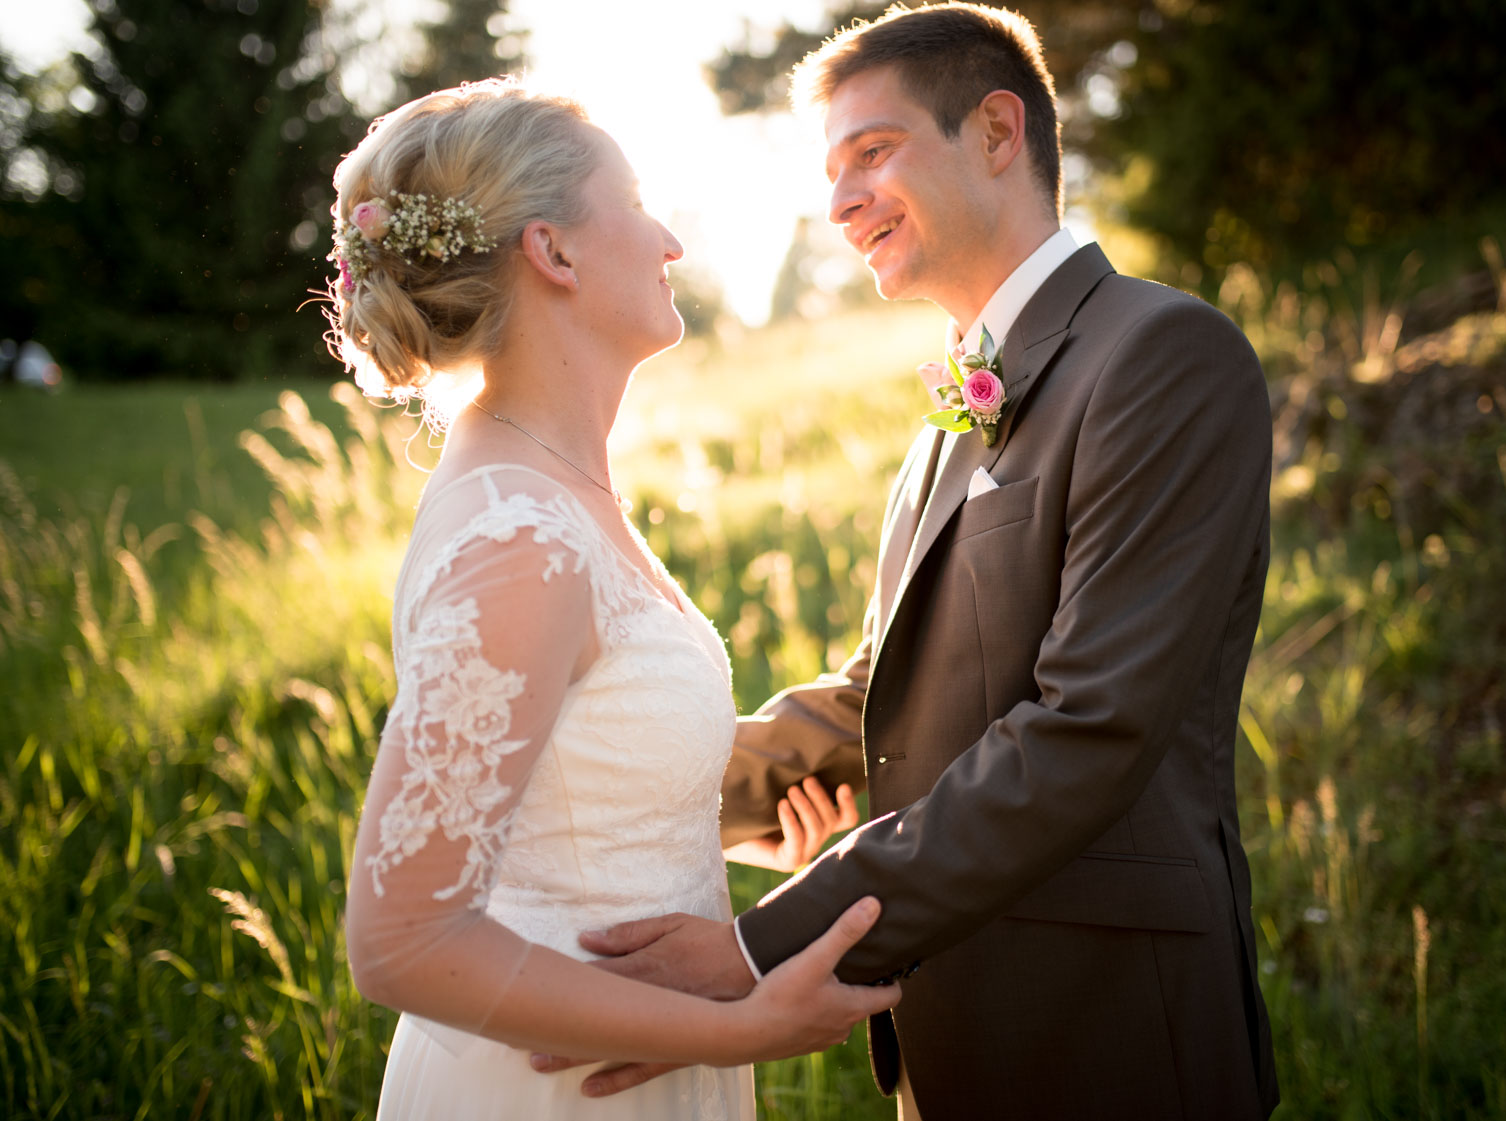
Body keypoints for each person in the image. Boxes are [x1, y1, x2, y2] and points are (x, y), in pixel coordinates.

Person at [558, 5, 1280, 1118]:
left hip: (1112, 1029)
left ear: (996, 132)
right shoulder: (949, 415)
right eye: (832, 172)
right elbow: (881, 701)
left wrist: (758, 946)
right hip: (950, 1033)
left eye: (873, 153)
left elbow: (1090, 729)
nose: (841, 202)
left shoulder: (1162, 356)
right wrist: (598, 791)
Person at [331, 78, 897, 1119]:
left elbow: (555, 780)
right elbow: (400, 938)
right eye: (635, 203)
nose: (670, 241)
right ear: (553, 251)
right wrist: (746, 1026)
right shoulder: (519, 536)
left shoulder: (555, 488)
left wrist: (698, 827)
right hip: (556, 1091)